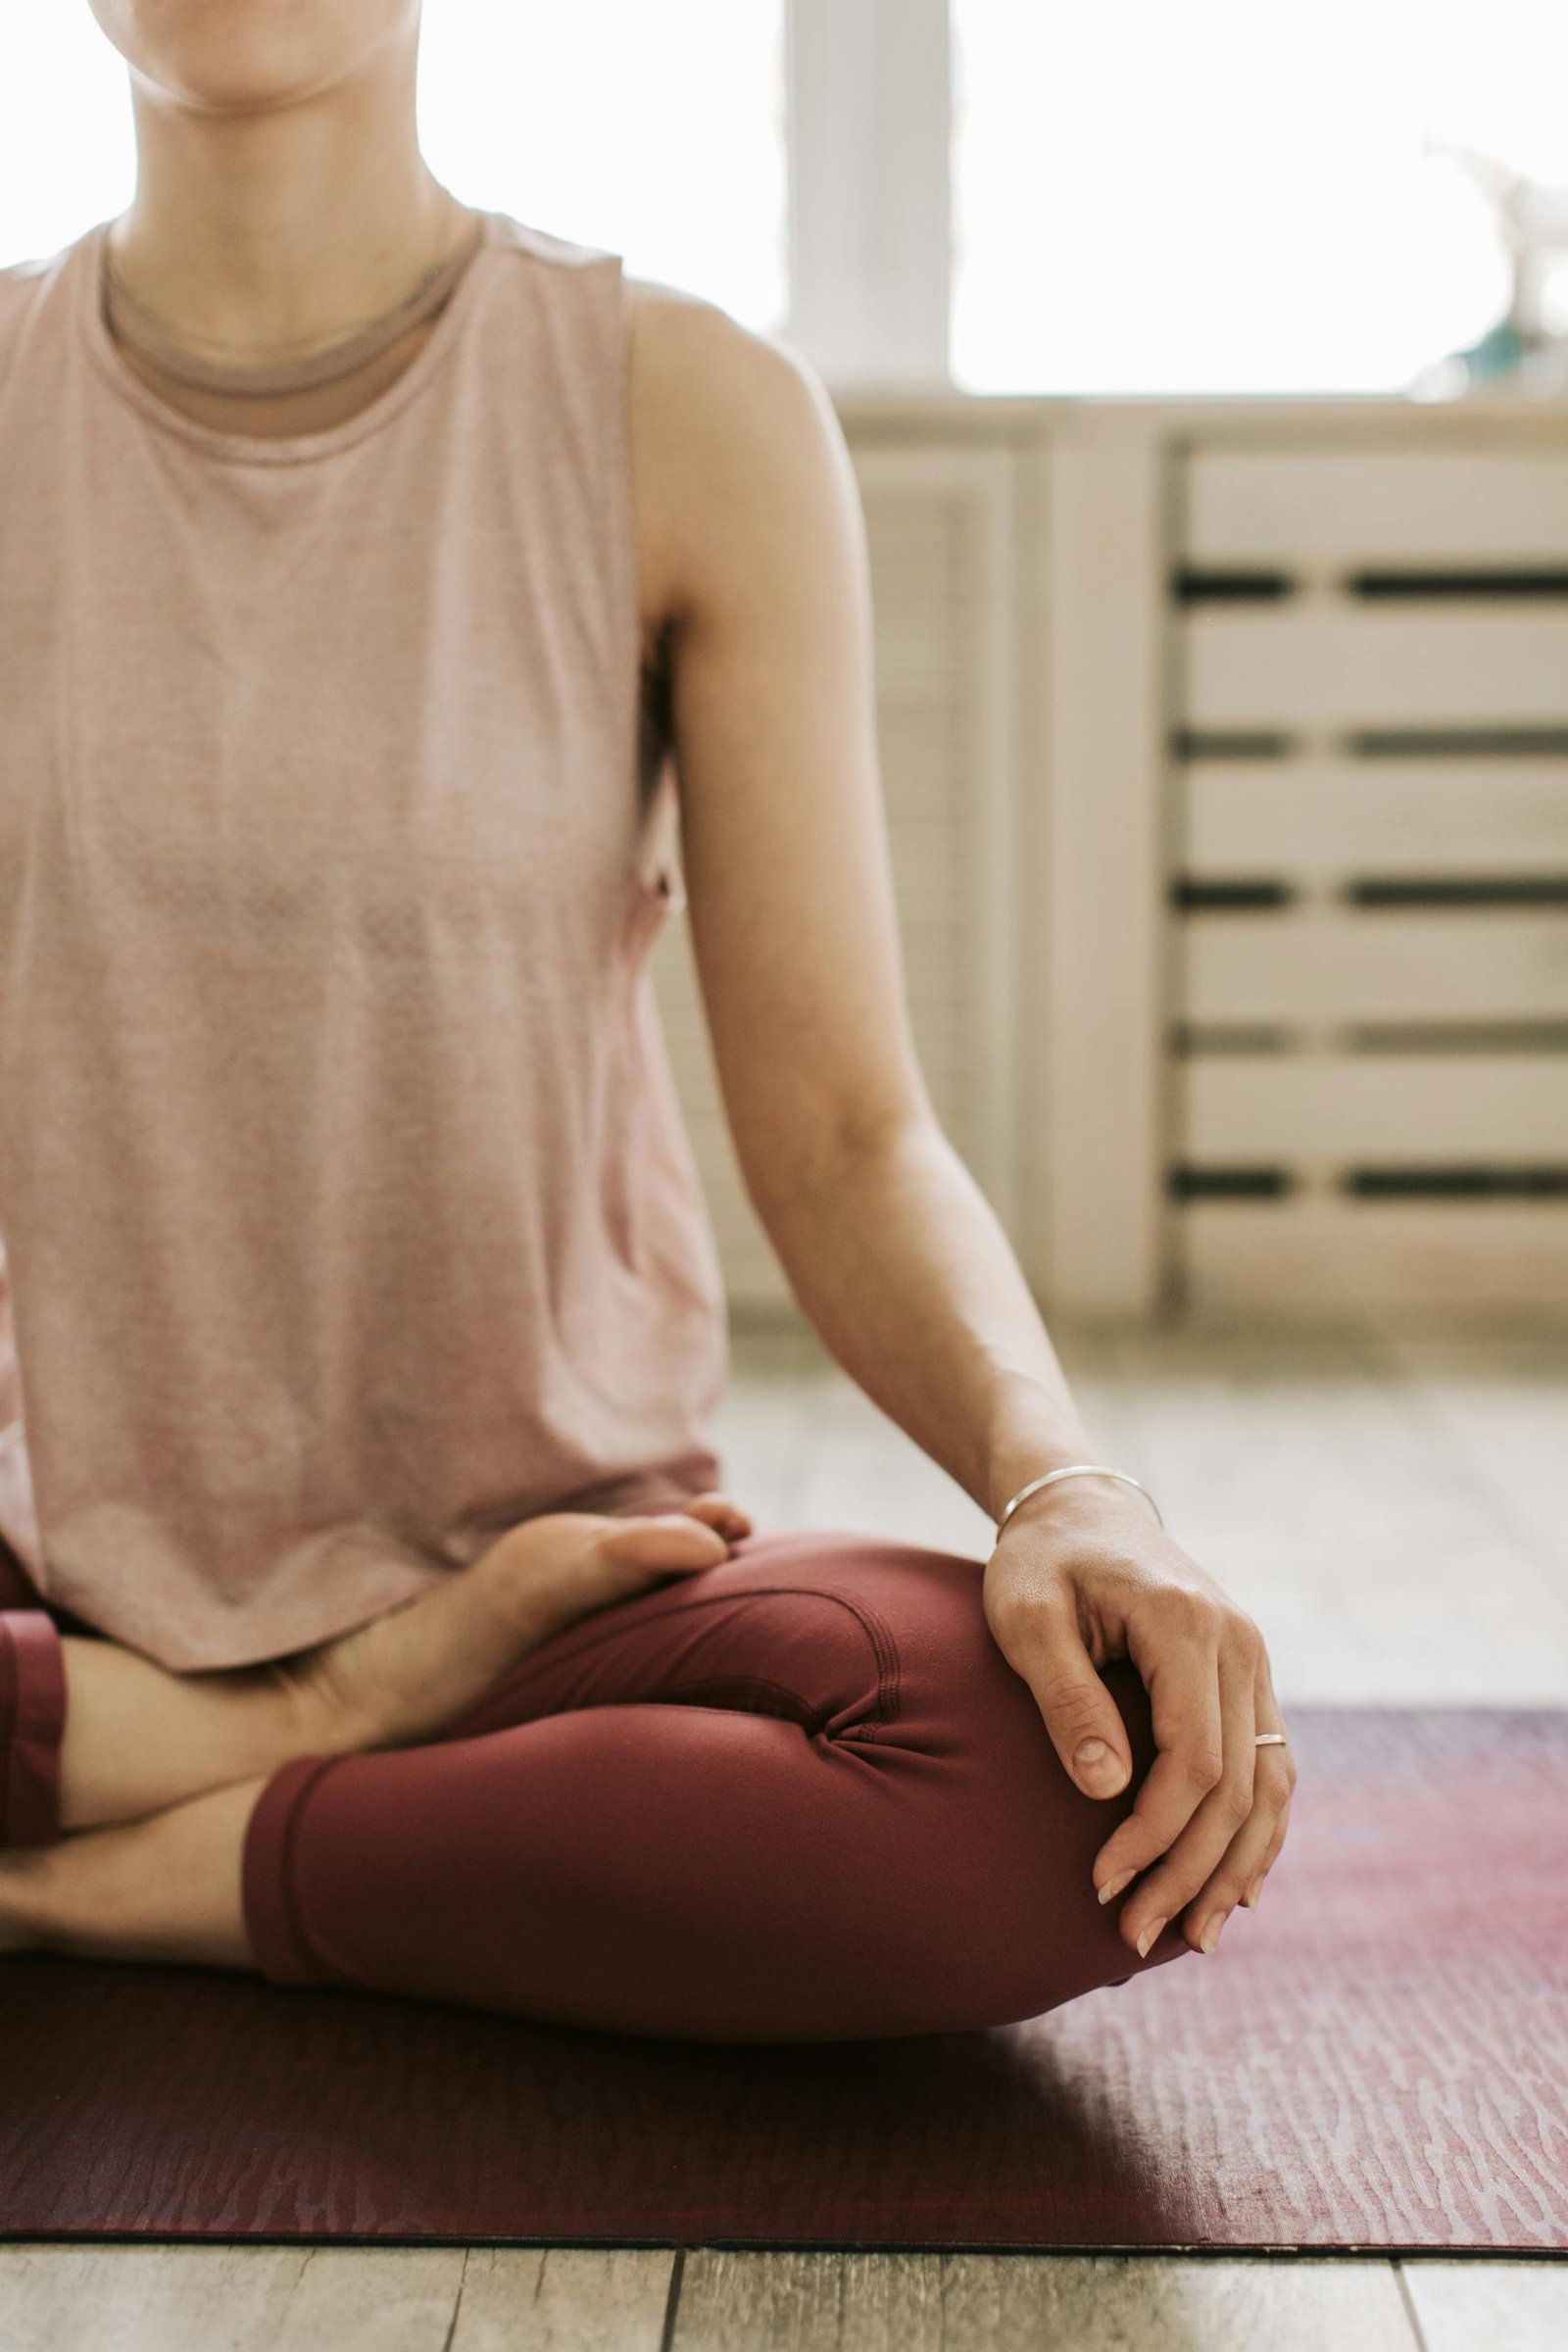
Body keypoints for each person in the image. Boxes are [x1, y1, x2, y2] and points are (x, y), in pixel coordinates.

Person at [0, 0, 1294, 2041]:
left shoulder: (684, 410)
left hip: (552, 1590)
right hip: (47, 1600)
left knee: (1065, 1773)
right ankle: (335, 1760)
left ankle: (100, 1879)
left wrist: (1064, 1484)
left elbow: (844, 1131)